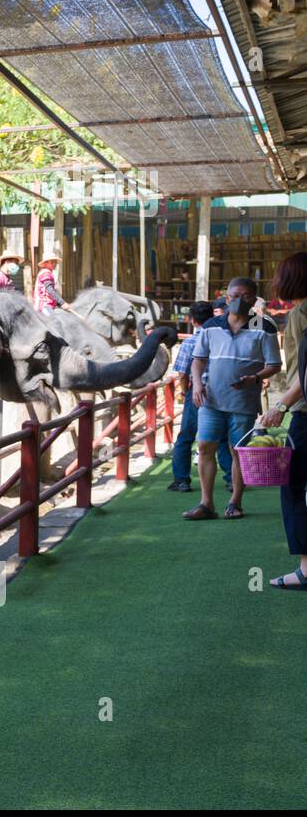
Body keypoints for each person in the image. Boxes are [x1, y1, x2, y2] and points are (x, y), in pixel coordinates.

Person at [184, 290, 281, 520]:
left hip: (243, 401)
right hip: (211, 399)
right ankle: (206, 504)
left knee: (238, 451)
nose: (238, 299)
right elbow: (198, 359)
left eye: (246, 296)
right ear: (226, 298)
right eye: (234, 294)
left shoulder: (263, 325)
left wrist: (255, 378)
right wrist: (197, 385)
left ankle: (235, 502)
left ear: (254, 299)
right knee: (205, 446)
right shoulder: (211, 324)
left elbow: (275, 364)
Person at [256, 252, 307, 588]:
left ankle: (306, 569)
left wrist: (281, 405)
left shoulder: (303, 312)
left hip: (304, 411)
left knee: (293, 486)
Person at [167, 299, 214, 492]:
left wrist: (185, 390)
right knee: (221, 438)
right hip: (220, 390)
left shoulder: (190, 342)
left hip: (197, 391)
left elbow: (183, 372)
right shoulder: (221, 337)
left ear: (192, 320)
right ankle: (231, 479)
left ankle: (182, 480)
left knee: (186, 436)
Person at [32, 251, 71, 315]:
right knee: (54, 322)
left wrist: (58, 303)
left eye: (55, 262)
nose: (54, 264)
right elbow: (50, 290)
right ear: (45, 263)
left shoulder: (48, 273)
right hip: (43, 306)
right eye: (52, 262)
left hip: (49, 305)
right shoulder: (45, 273)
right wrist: (62, 303)